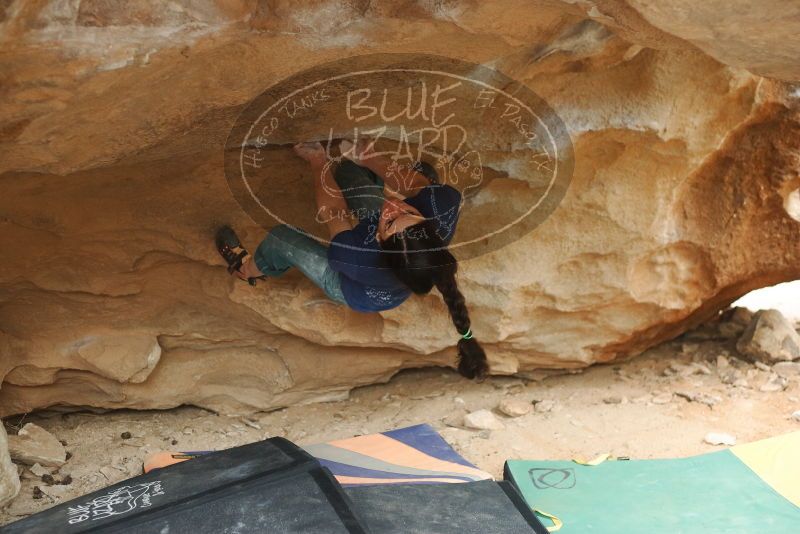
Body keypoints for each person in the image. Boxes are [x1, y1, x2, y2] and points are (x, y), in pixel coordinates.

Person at [216, 140, 488, 378]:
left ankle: (248, 270)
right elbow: (417, 185)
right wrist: (369, 156)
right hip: (393, 254)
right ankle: (382, 188)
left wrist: (317, 160)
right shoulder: (443, 207)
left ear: (379, 240)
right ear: (427, 225)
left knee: (282, 240)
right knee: (352, 171)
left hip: (353, 289)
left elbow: (334, 213)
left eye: (390, 220)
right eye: (407, 210)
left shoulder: (357, 256)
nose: (391, 204)